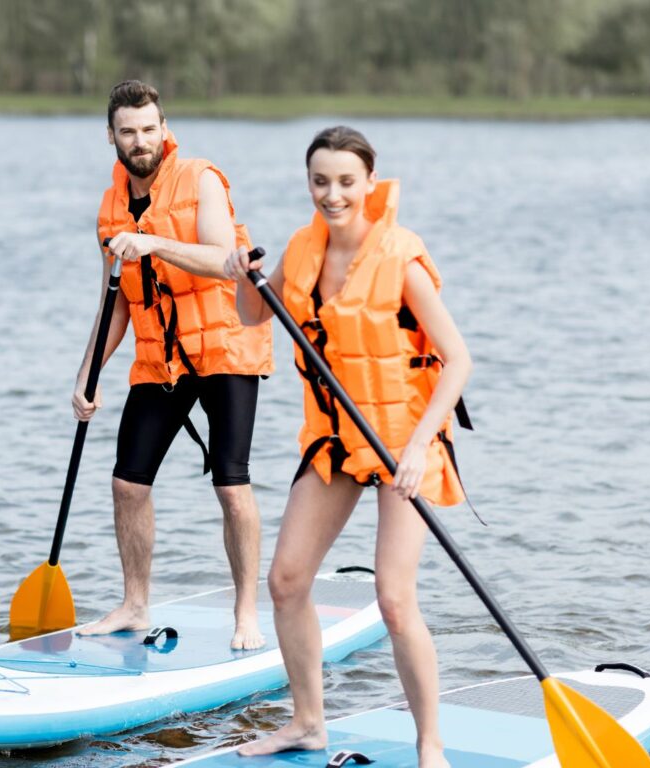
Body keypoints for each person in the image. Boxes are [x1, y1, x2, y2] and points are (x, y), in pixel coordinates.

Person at [223, 126, 472, 767]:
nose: (332, 194)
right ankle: (309, 723)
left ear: (369, 182)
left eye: (345, 181)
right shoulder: (305, 249)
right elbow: (254, 314)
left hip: (403, 449)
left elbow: (459, 361)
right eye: (319, 181)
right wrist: (240, 274)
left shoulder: (401, 258)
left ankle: (430, 744)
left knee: (393, 598)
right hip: (337, 444)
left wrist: (419, 449)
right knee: (285, 581)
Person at [74, 80, 274, 650]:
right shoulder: (110, 208)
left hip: (226, 348)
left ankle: (247, 615)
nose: (140, 141)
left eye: (149, 128)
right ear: (110, 136)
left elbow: (221, 261)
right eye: (127, 131)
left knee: (231, 485)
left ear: (164, 128)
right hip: (161, 358)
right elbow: (115, 299)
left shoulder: (201, 178)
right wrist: (86, 375)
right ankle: (135, 605)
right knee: (126, 483)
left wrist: (153, 242)